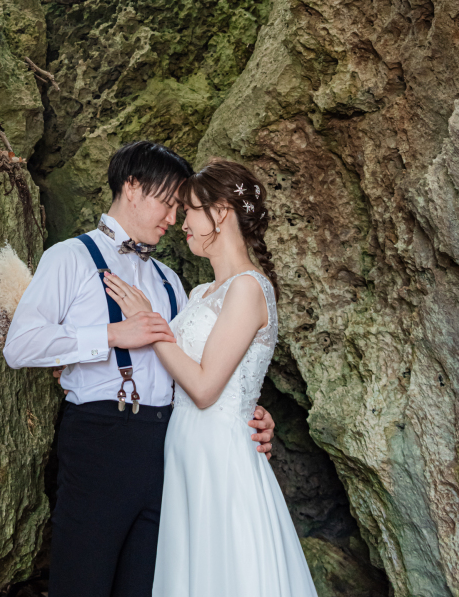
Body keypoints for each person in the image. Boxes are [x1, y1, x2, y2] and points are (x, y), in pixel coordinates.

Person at [3, 142, 276, 597]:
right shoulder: (69, 257)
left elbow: (206, 366)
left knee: (149, 585)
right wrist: (110, 336)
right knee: (82, 584)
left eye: (180, 207)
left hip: (168, 446)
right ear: (132, 187)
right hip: (100, 439)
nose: (173, 218)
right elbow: (21, 345)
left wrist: (249, 409)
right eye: (168, 202)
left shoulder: (173, 281)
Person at [104, 159, 318, 597]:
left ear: (220, 212)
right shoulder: (201, 293)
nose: (181, 222)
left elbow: (204, 389)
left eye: (189, 210)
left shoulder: (249, 288)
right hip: (184, 450)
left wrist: (149, 323)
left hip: (220, 456)